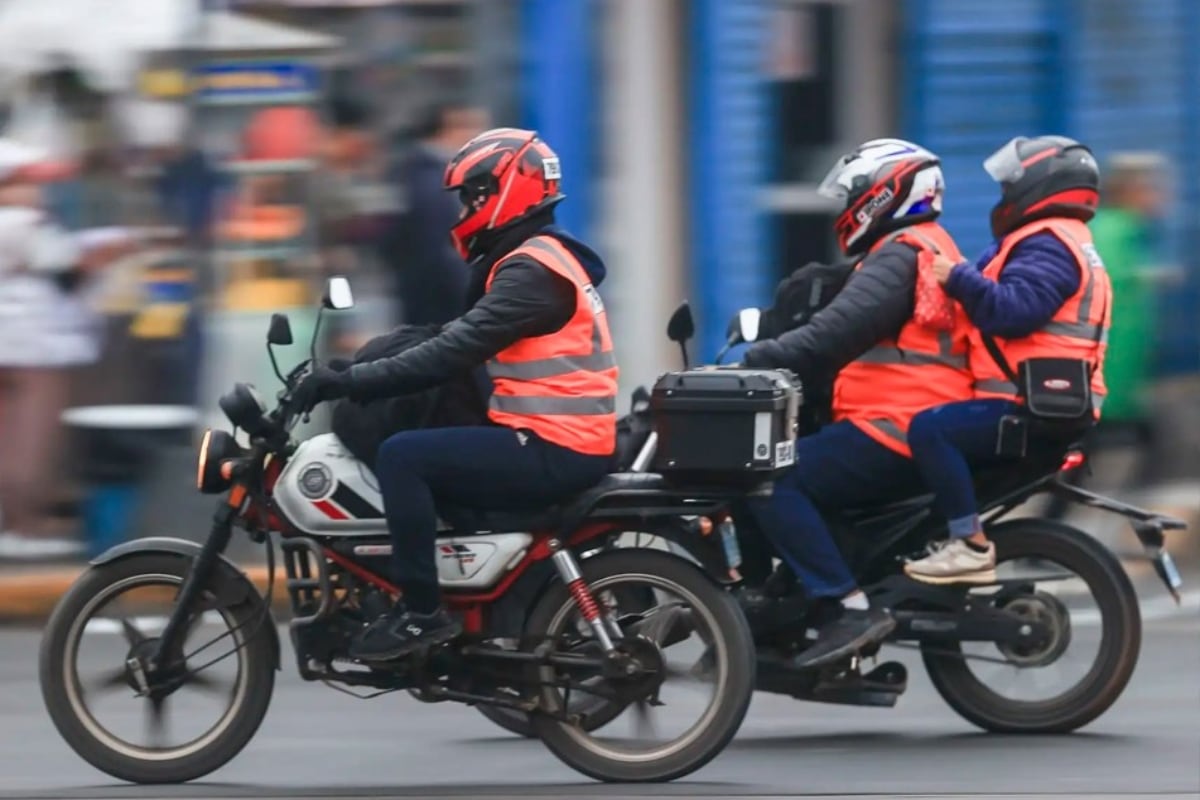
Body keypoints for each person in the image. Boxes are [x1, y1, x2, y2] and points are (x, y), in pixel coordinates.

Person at [291, 128, 617, 661]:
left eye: (472, 197)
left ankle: (421, 615)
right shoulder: (538, 259)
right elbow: (454, 338)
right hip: (554, 437)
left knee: (404, 457)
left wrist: (350, 382)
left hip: (554, 446)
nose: (464, 210)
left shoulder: (531, 273)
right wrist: (355, 368)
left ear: (509, 190)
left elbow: (453, 350)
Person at [740, 139, 974, 668]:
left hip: (896, 426)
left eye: (853, 195)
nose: (845, 208)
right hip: (905, 421)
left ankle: (847, 607)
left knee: (768, 477)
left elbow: (833, 334)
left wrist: (761, 358)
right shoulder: (921, 247)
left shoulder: (900, 256)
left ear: (885, 194)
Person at [904, 135, 1111, 584]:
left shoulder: (1048, 244)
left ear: (1041, 185)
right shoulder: (1062, 239)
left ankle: (969, 544)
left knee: (930, 430)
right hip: (1046, 399)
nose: (1003, 196)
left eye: (1008, 186)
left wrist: (957, 277)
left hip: (1033, 404)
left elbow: (1014, 311)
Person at [0, 140, 99, 559]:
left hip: (10, 345)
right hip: (35, 348)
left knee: (7, 439)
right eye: (28, 182)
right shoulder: (27, 223)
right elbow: (70, 267)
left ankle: (11, 523)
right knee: (33, 440)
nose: (39, 192)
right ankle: (24, 527)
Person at [383, 101, 491, 326]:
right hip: (437, 299)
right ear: (442, 130)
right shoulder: (429, 179)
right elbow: (439, 247)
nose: (477, 136)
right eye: (467, 126)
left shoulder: (423, 172)